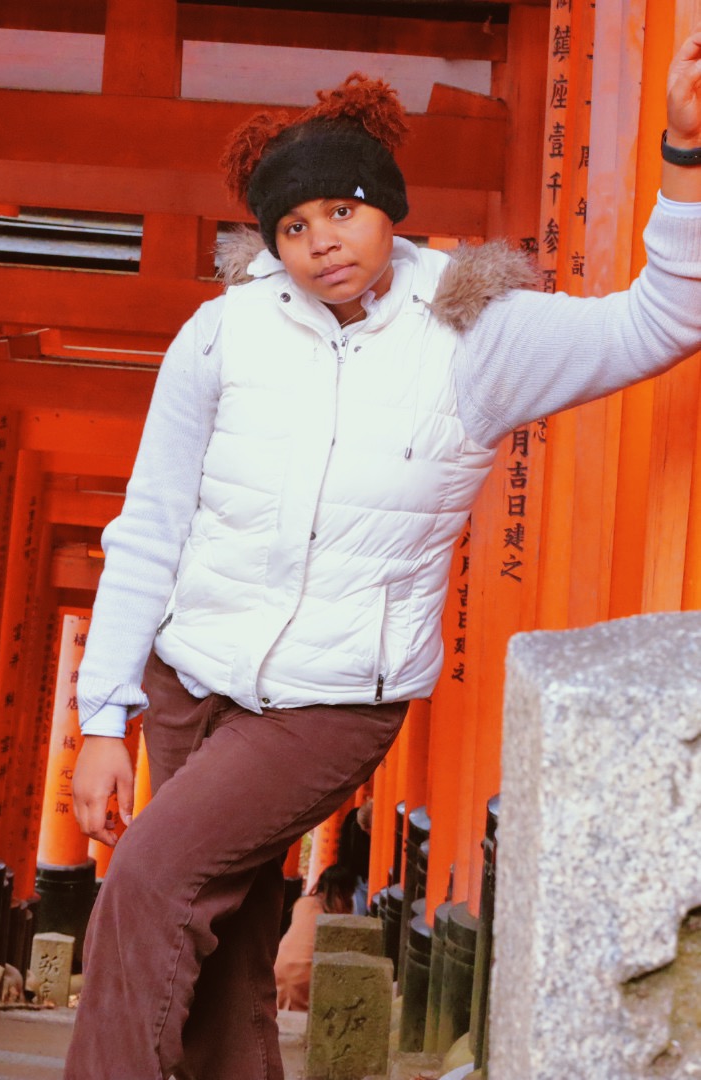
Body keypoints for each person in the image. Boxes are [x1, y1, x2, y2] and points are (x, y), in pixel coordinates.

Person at [62, 32, 701, 1080]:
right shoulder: (222, 337)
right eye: (294, 225)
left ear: (387, 206)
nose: (322, 242)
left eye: (343, 211)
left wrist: (684, 162)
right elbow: (151, 526)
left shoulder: (474, 335)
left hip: (329, 703)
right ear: (270, 240)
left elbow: (663, 317)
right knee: (223, 962)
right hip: (192, 680)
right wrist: (101, 717)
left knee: (148, 882)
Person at [273, 865, 357, 1012]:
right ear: (345, 893)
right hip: (305, 974)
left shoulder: (302, 903)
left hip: (279, 966)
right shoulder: (336, 916)